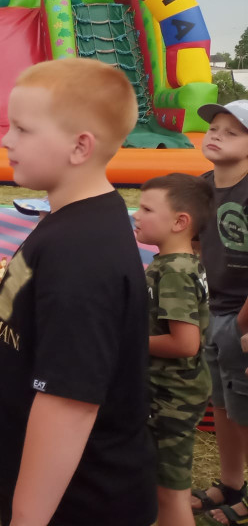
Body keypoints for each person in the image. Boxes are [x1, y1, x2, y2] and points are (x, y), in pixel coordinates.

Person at [0, 58, 156, 526]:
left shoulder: (84, 254)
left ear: (80, 147)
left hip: (76, 502)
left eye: (22, 129)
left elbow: (69, 404)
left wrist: (28, 519)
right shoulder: (67, 221)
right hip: (46, 487)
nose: (5, 140)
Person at [132, 173, 212, 526]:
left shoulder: (175, 270)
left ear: (181, 222)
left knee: (171, 493)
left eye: (147, 208)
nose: (136, 214)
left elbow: (185, 343)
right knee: (160, 486)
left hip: (172, 396)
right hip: (168, 392)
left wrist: (127, 340)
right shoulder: (174, 262)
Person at [190, 99, 248, 526]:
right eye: (214, 128)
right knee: (225, 407)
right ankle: (231, 484)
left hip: (243, 317)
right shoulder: (201, 187)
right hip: (213, 311)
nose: (215, 135)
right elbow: (192, 245)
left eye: (231, 132)